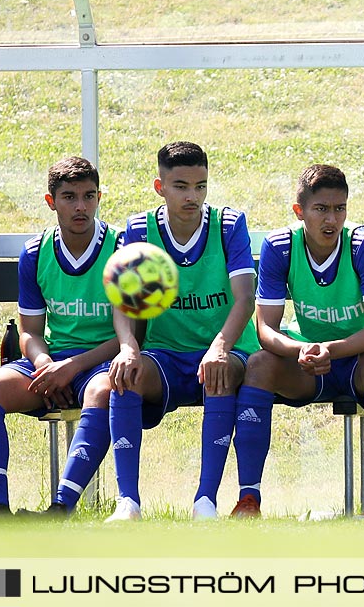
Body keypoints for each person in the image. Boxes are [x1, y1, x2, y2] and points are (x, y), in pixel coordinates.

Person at [232, 165, 364, 519]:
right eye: (321, 209)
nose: (332, 219)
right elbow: (264, 329)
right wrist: (302, 351)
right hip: (312, 359)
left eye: (340, 208)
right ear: (299, 211)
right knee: (259, 364)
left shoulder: (363, 243)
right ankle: (248, 499)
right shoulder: (280, 246)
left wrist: (331, 349)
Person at [101, 142, 260, 521]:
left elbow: (244, 299)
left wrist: (220, 347)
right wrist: (127, 348)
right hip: (166, 353)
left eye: (201, 186)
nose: (193, 196)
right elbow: (123, 301)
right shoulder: (140, 227)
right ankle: (129, 503)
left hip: (225, 352)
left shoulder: (229, 224)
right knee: (125, 377)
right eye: (181, 186)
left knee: (219, 376)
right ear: (160, 187)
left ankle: (205, 502)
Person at [0, 157, 120, 519]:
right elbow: (31, 333)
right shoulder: (35, 253)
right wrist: (45, 365)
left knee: (103, 391)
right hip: (53, 364)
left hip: (102, 361)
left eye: (88, 196)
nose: (80, 206)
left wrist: (69, 368)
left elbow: (132, 335)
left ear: (99, 198)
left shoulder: (121, 246)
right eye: (69, 197)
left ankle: (60, 509)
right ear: (51, 202)